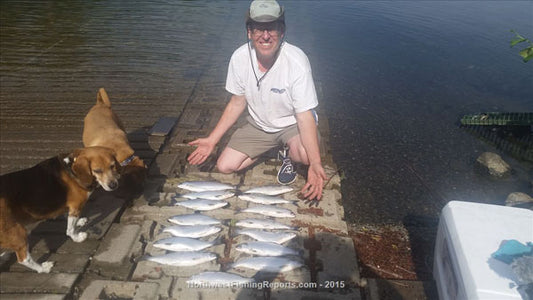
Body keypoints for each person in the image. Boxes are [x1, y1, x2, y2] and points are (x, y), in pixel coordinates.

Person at [187, 0, 326, 201]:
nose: (266, 35)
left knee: (304, 156)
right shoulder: (239, 58)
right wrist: (212, 140)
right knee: (225, 166)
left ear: (282, 31)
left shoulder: (297, 61)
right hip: (259, 124)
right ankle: (273, 148)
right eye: (259, 29)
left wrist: (315, 163)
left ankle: (289, 152)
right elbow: (237, 102)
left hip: (292, 123)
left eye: (272, 28)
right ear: (249, 32)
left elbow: (303, 115)